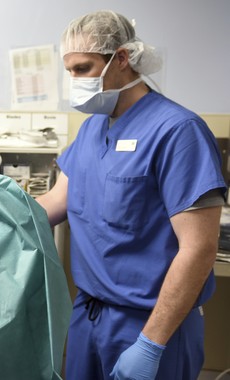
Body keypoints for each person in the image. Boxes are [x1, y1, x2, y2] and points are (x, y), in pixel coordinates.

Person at [36, 10, 226, 380]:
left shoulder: (177, 131)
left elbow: (199, 248)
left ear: (121, 58)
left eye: (83, 69)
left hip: (151, 324)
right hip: (88, 317)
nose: (73, 81)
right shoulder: (92, 131)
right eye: (69, 70)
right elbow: (49, 206)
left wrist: (151, 344)